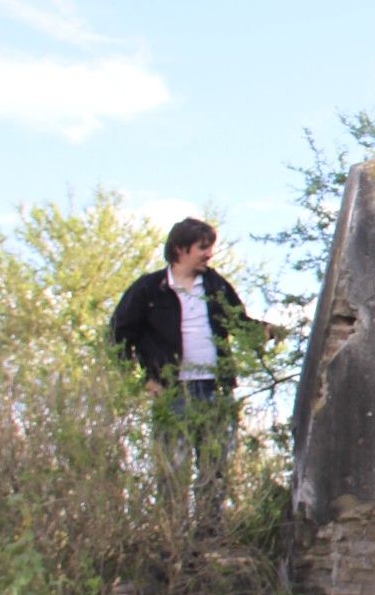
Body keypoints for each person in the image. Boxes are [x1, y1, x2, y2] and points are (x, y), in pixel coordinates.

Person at [110, 217, 268, 537]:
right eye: (203, 247)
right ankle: (173, 538)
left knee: (215, 466)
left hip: (214, 389)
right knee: (172, 469)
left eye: (210, 247)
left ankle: (210, 534)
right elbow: (118, 335)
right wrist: (143, 380)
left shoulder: (215, 285)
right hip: (172, 392)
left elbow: (237, 322)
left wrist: (266, 332)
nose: (209, 254)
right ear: (180, 249)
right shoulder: (149, 289)